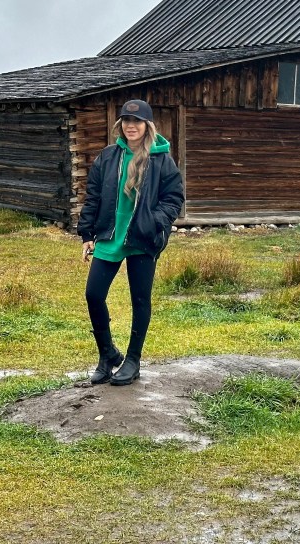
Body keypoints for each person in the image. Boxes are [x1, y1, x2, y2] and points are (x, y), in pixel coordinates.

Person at [77, 99, 185, 386]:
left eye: (137, 121)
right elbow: (93, 196)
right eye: (126, 120)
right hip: (110, 236)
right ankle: (108, 355)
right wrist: (87, 234)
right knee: (93, 295)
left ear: (147, 125)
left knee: (140, 299)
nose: (131, 126)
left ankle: (133, 360)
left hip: (142, 238)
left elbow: (174, 198)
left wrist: (153, 221)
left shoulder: (161, 159)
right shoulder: (108, 156)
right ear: (120, 124)